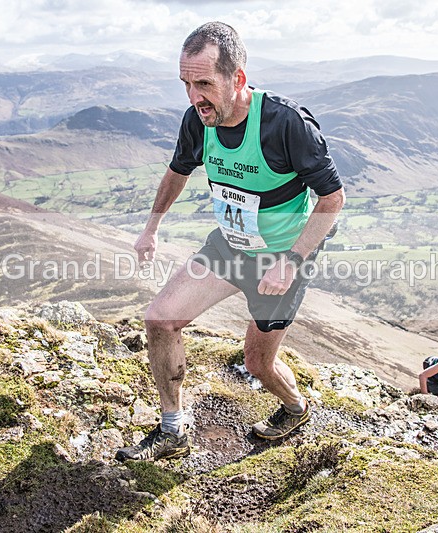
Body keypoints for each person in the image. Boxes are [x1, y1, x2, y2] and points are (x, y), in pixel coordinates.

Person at [115, 22, 345, 462]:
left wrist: (293, 260)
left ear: (237, 77)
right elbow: (178, 170)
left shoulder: (285, 124)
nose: (193, 97)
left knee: (258, 364)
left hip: (280, 259)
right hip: (229, 247)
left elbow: (333, 197)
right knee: (160, 320)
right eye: (186, 84)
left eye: (204, 83)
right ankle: (172, 430)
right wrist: (151, 228)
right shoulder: (198, 120)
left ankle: (295, 408)